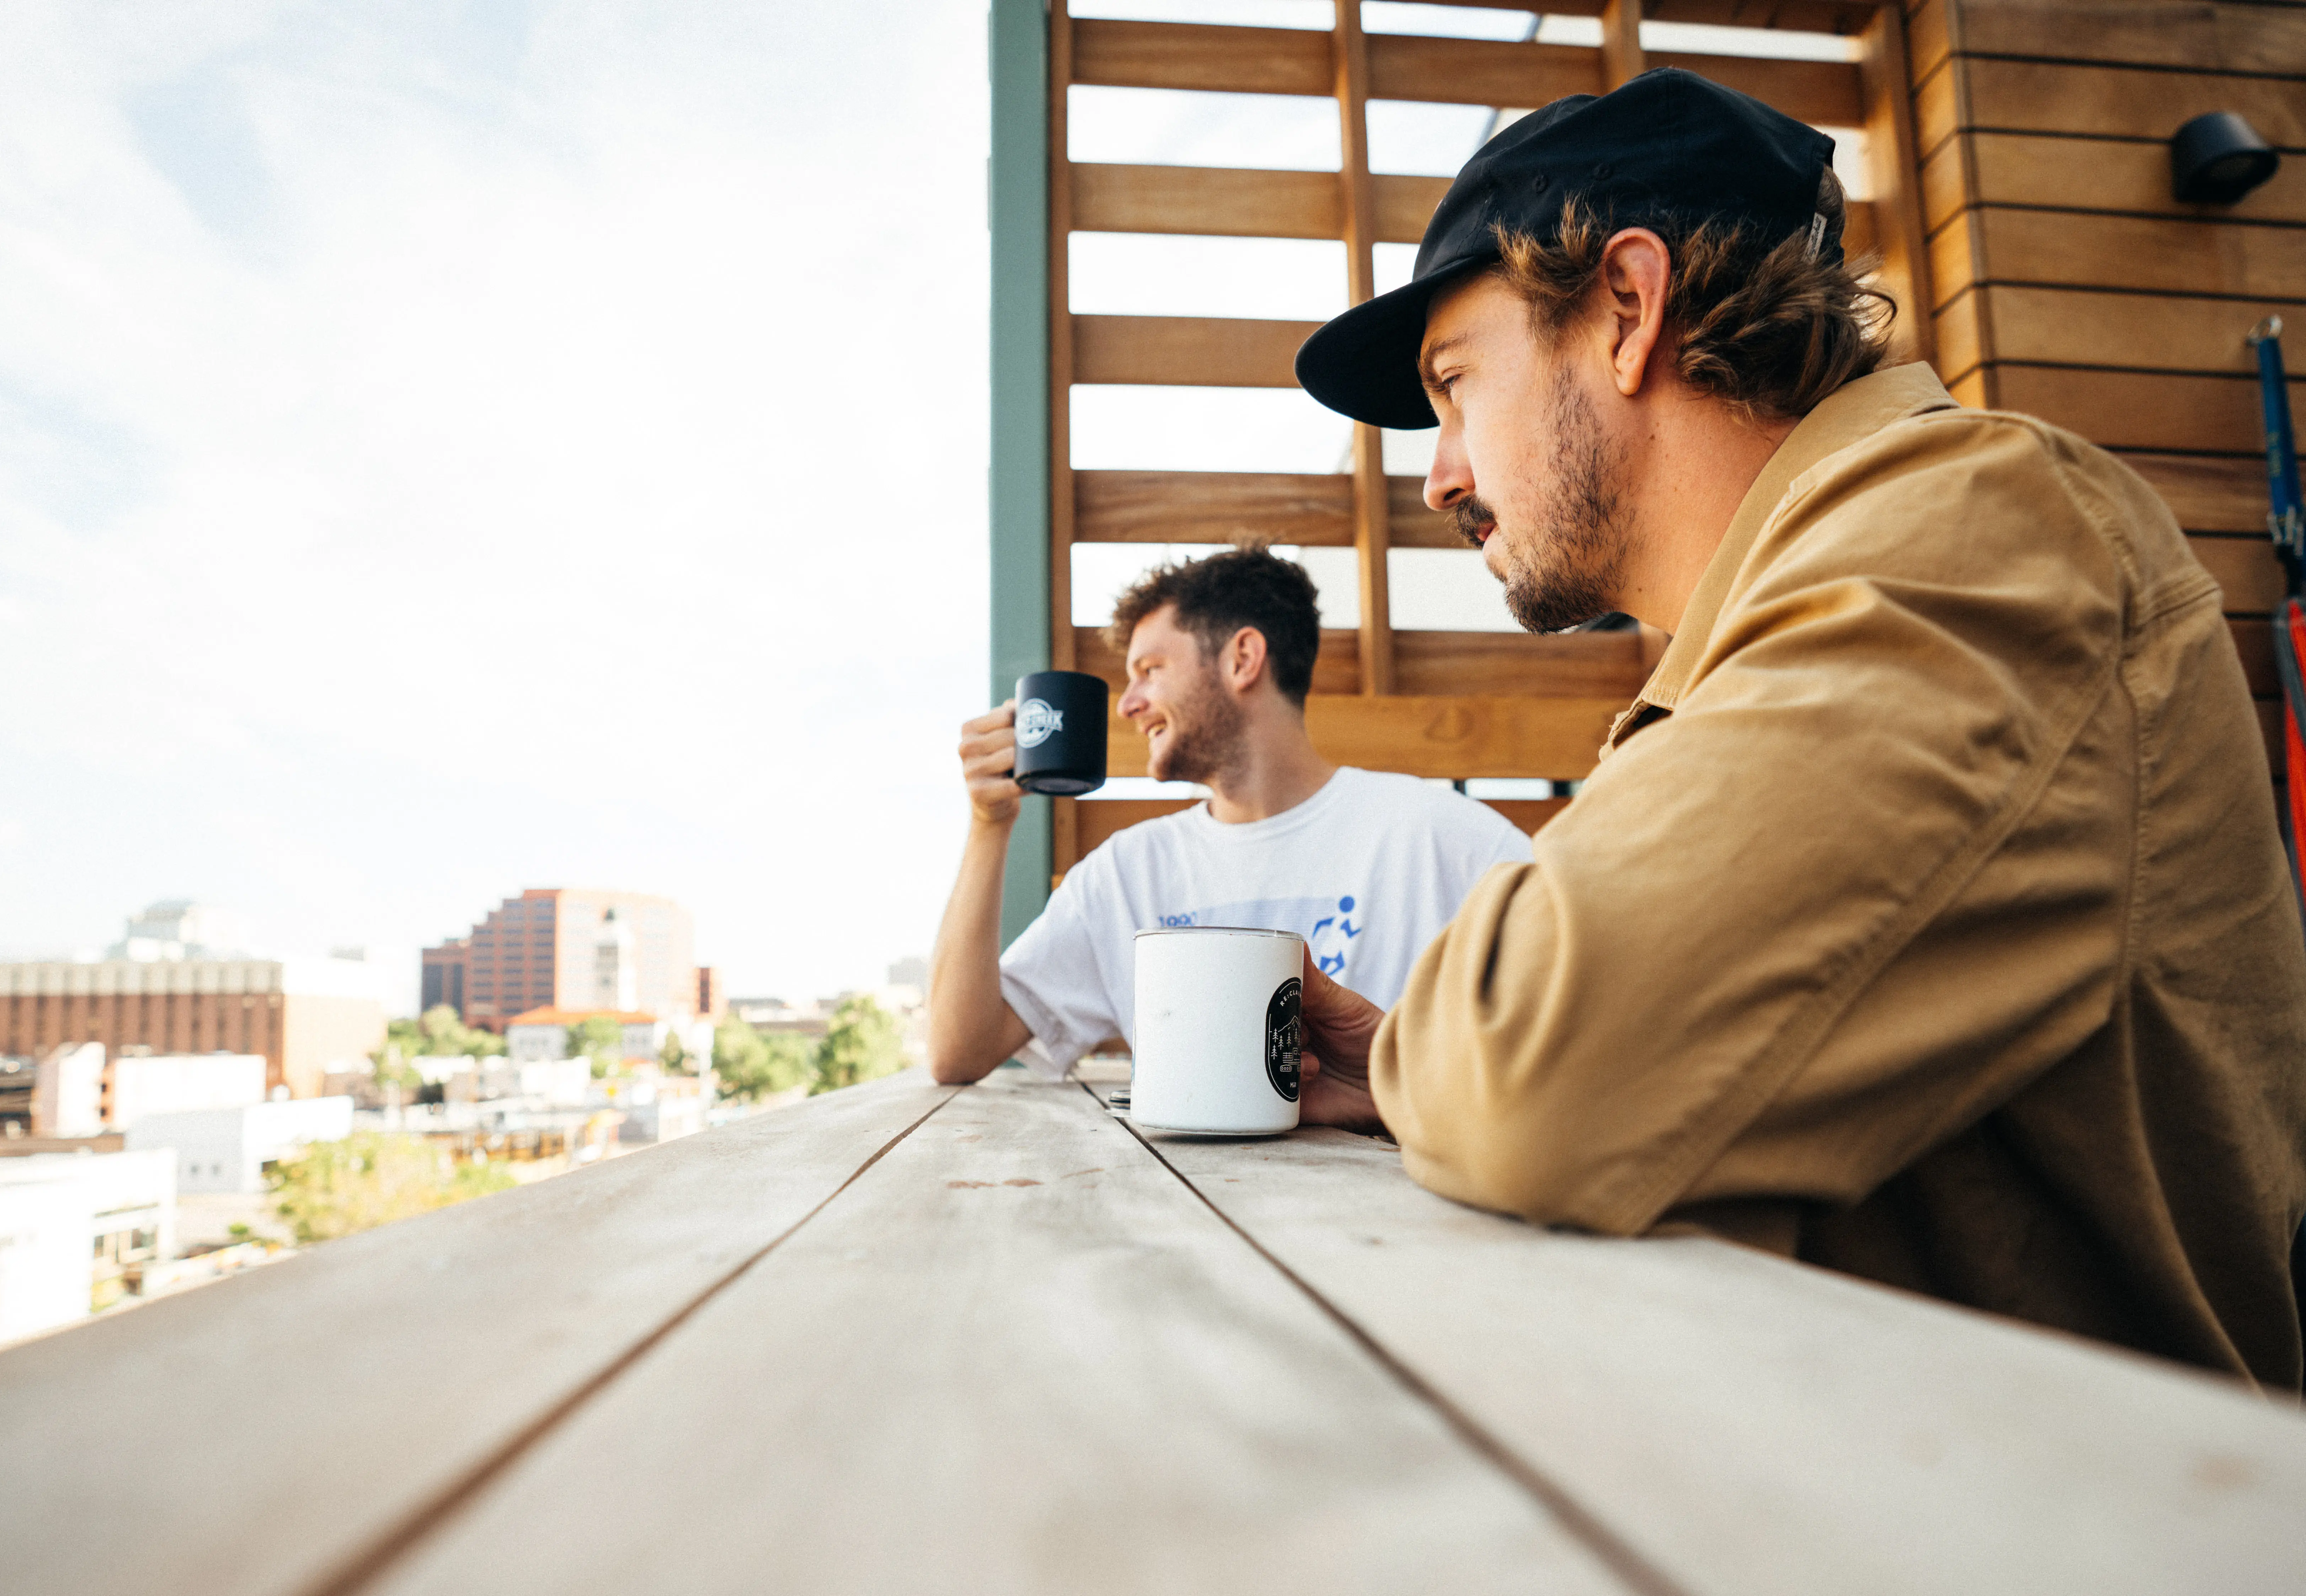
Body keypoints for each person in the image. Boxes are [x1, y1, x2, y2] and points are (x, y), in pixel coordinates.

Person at [1285, 68, 2306, 1388]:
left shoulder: (1976, 535)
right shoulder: (1796, 608)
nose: (1438, 476)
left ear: (1626, 309)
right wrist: (1395, 1066)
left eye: (1453, 384)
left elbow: (1539, 1069)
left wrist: (1432, 1051)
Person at [928, 546, 1530, 1084]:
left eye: (1150, 670)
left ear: (1243, 658)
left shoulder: (1445, 839)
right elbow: (959, 1051)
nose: (1130, 704)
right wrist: (988, 822)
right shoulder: (1126, 874)